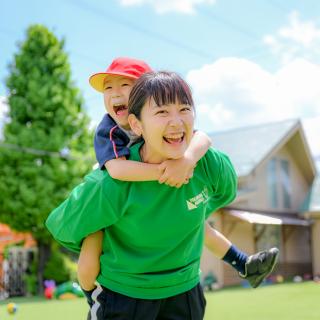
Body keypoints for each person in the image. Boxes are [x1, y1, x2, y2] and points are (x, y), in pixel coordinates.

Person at [46, 71, 278, 320]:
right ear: (136, 124)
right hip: (123, 297)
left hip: (186, 293)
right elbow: (64, 226)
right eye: (162, 112)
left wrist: (184, 199)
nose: (176, 122)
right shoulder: (112, 183)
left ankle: (241, 263)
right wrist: (103, 236)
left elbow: (225, 190)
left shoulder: (207, 163)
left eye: (184, 109)